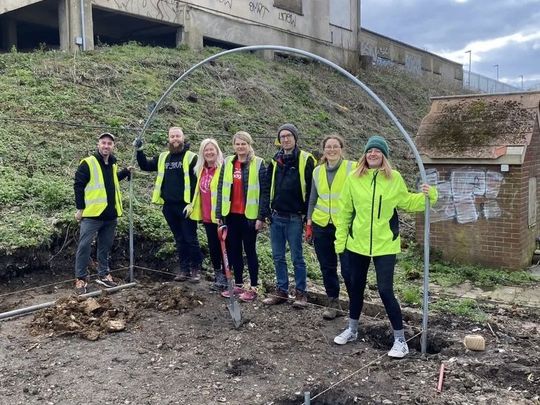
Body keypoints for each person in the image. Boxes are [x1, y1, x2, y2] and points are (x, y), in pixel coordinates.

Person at [333, 135, 438, 358]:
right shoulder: (353, 178)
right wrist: (340, 243)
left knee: (385, 290)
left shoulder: (394, 179)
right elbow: (345, 213)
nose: (373, 154)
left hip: (385, 245)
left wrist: (429, 196)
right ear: (365, 154)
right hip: (357, 244)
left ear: (384, 156)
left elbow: (408, 202)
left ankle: (400, 340)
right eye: (370, 151)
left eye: (377, 151)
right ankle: (352, 329)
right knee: (355, 288)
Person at [135, 127, 202, 282]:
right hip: (169, 207)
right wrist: (139, 150)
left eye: (178, 136)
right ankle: (184, 269)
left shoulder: (192, 157)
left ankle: (195, 269)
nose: (175, 139)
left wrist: (194, 203)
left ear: (183, 138)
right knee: (179, 238)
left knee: (190, 238)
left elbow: (202, 180)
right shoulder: (163, 157)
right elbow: (145, 165)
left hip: (186, 206)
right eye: (172, 136)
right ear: (169, 139)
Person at [262, 123, 316, 308]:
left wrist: (308, 217)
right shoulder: (275, 160)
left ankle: (301, 293)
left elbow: (311, 192)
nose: (285, 139)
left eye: (288, 136)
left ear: (295, 138)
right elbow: (267, 187)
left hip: (295, 217)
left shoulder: (306, 160)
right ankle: (282, 291)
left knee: (297, 258)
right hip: (276, 216)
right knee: (277, 256)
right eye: (282, 136)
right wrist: (265, 211)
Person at [73, 132, 131, 294]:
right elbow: (78, 186)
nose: (106, 146)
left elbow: (110, 182)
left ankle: (104, 274)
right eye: (103, 143)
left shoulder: (112, 164)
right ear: (98, 144)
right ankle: (81, 279)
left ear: (113, 146)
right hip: (92, 215)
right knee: (84, 246)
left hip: (110, 215)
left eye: (109, 143)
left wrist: (125, 172)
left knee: (105, 246)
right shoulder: (88, 163)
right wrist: (80, 209)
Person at [306, 134, 356, 320]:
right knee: (327, 266)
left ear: (341, 149)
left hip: (345, 225)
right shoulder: (317, 171)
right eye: (328, 147)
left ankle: (354, 303)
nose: (332, 150)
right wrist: (309, 222)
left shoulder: (352, 168)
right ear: (324, 150)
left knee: (348, 268)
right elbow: (313, 198)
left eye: (335, 146)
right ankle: (333, 301)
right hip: (321, 225)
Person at [216, 131, 269, 302]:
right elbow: (220, 188)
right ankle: (238, 285)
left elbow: (265, 193)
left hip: (250, 216)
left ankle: (253, 287)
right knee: (234, 250)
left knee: (250, 251)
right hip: (231, 215)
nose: (240, 147)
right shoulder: (228, 163)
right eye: (237, 144)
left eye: (243, 144)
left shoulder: (259, 163)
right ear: (234, 146)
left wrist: (261, 217)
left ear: (249, 144)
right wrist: (219, 213)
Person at [188, 138, 227, 290]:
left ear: (217, 151)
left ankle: (227, 277)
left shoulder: (223, 168)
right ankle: (218, 276)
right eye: (206, 150)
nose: (209, 152)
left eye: (212, 149)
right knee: (213, 247)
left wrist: (222, 214)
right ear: (202, 153)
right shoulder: (200, 170)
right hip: (207, 215)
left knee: (225, 246)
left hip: (220, 216)